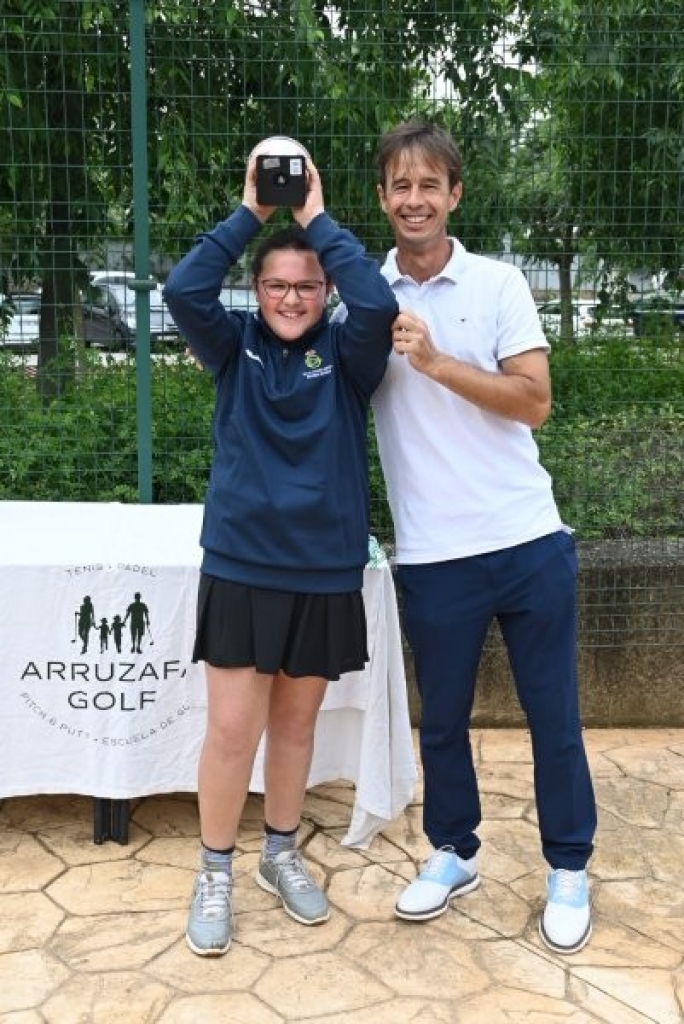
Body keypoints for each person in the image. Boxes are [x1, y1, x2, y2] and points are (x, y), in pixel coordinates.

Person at [370, 118, 597, 954]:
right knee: (442, 723)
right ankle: (453, 852)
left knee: (553, 717)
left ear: (455, 194)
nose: (416, 199)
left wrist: (435, 364)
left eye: (430, 184)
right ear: (382, 198)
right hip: (434, 553)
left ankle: (568, 867)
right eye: (401, 185)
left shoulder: (499, 284)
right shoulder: (366, 297)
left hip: (527, 539)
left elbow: (534, 400)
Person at [163, 150, 398, 957]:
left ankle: (279, 854)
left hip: (325, 569)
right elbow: (182, 289)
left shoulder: (350, 355)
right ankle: (215, 870)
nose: (291, 298)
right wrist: (253, 212)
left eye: (306, 286)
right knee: (234, 729)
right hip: (242, 564)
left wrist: (316, 218)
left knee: (296, 730)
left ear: (324, 290)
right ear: (256, 291)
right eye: (275, 285)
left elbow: (377, 300)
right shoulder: (231, 345)